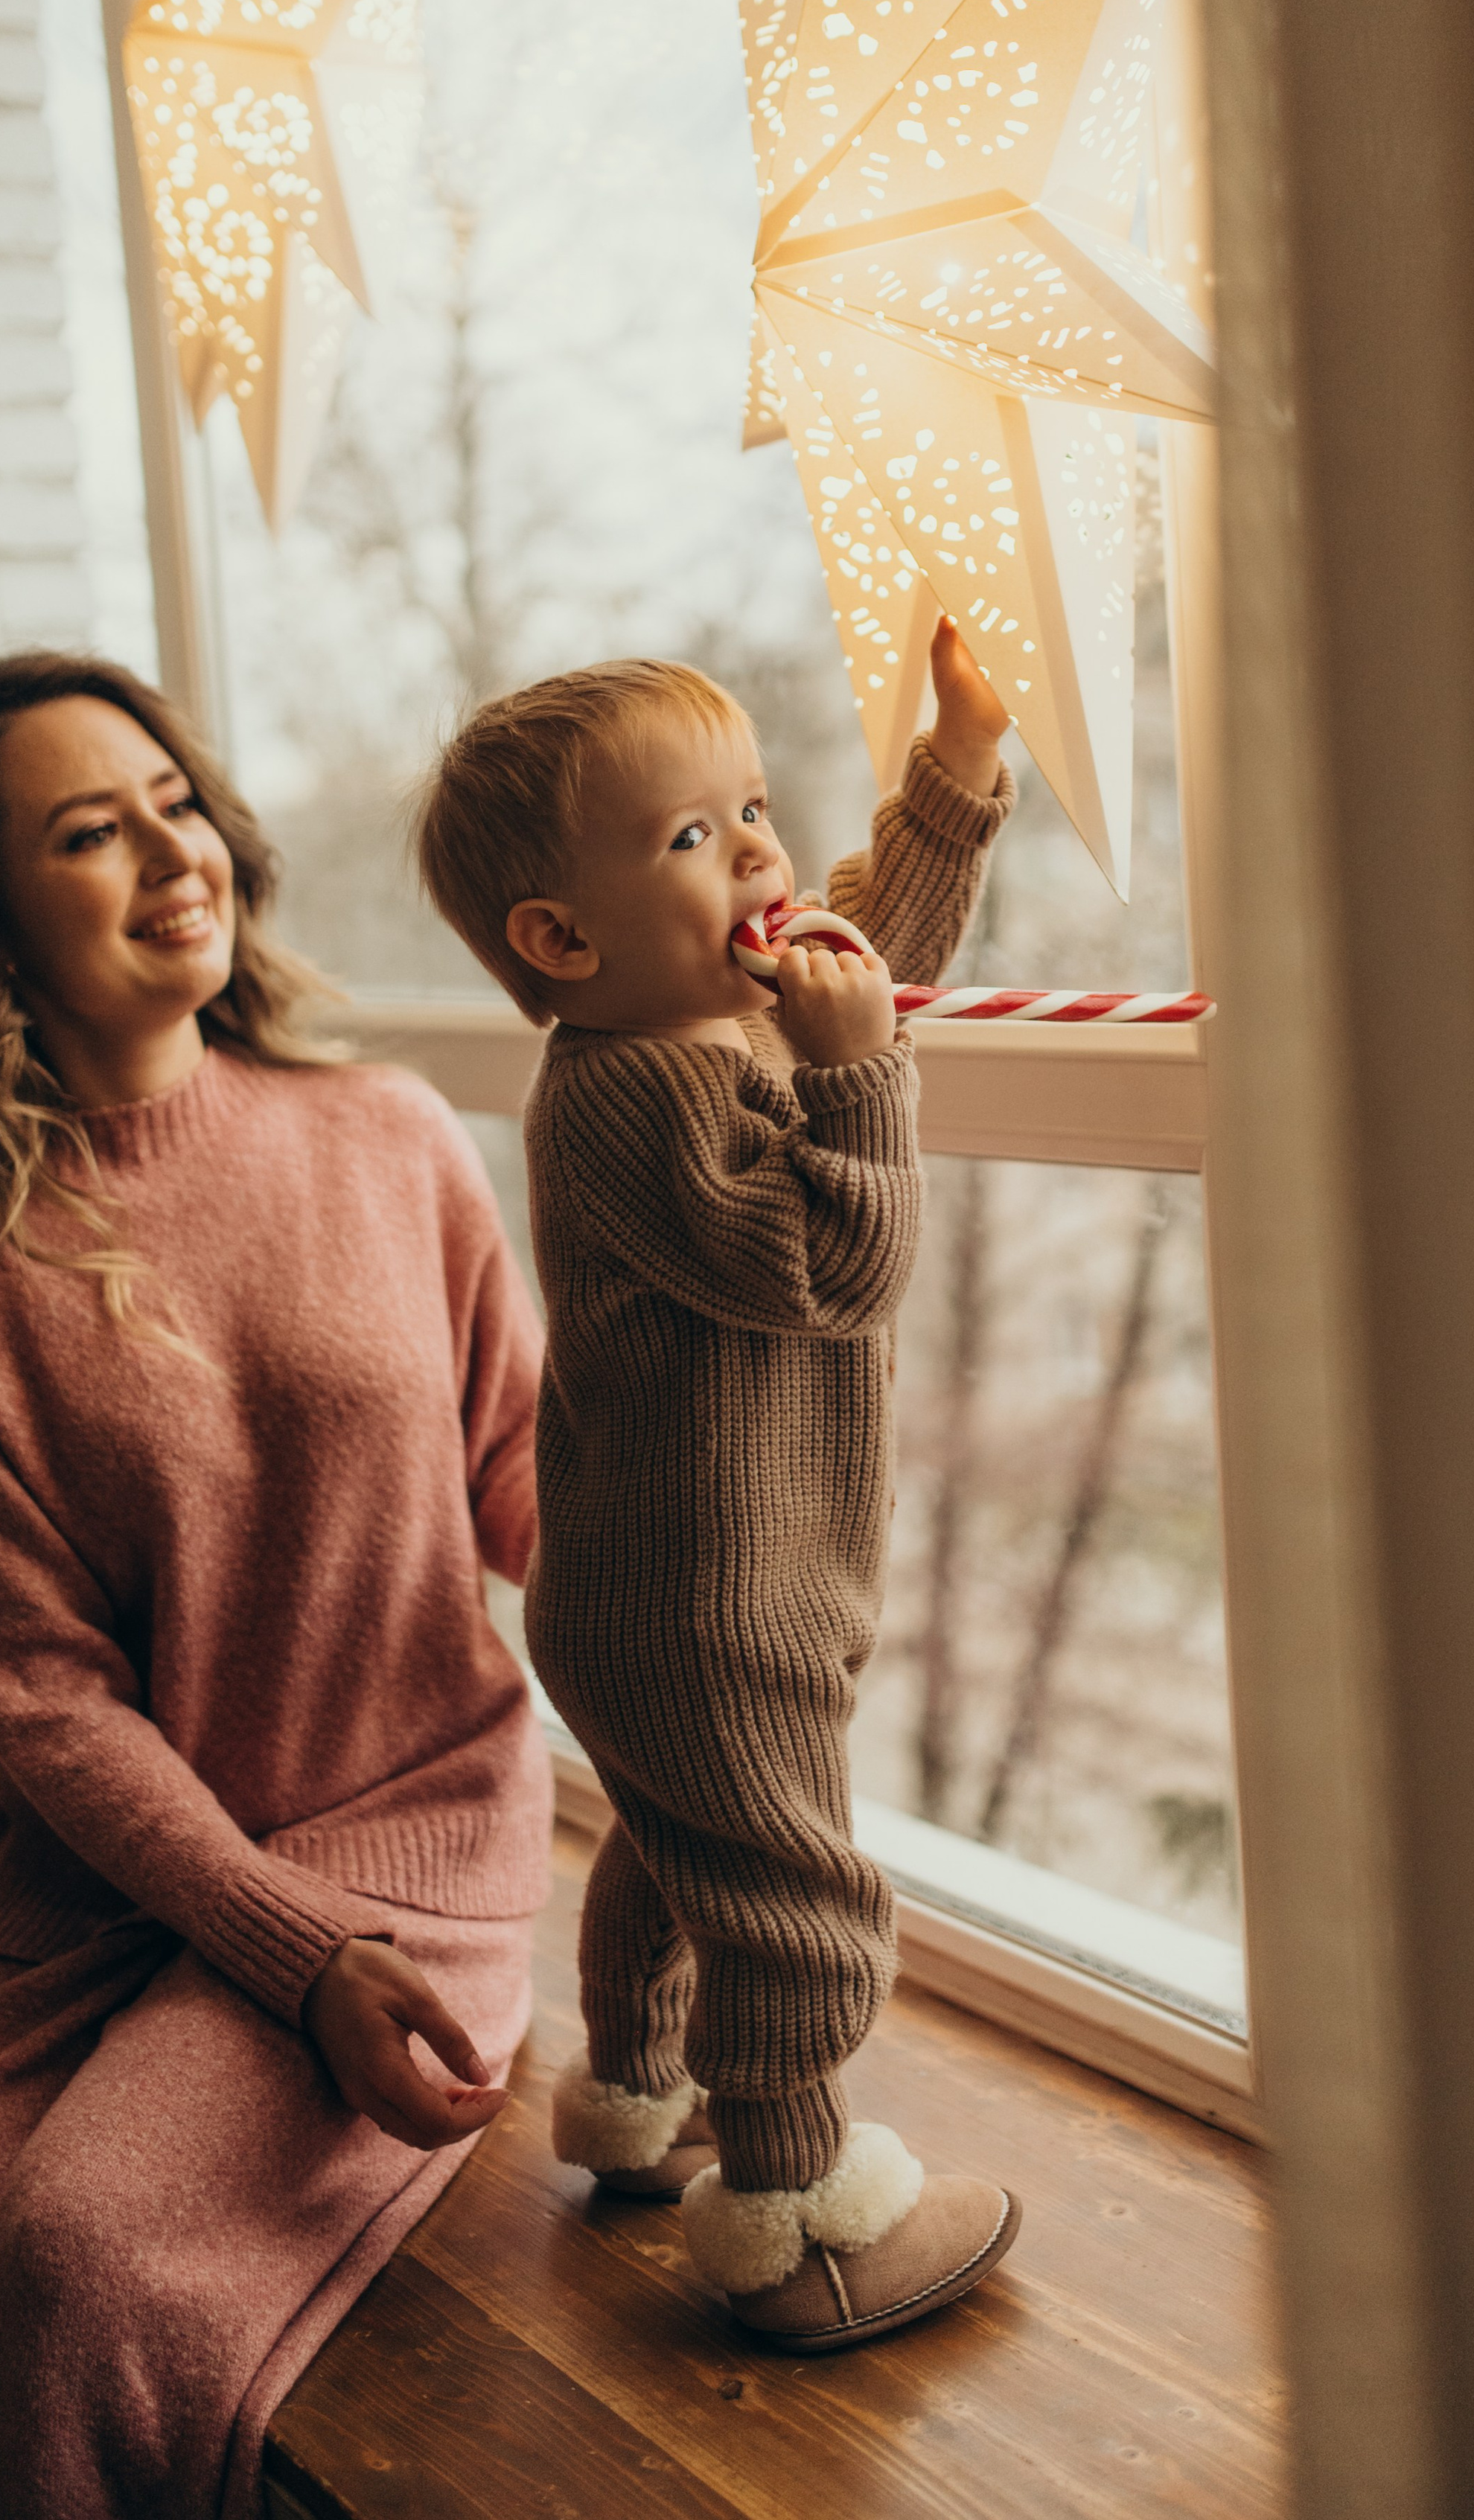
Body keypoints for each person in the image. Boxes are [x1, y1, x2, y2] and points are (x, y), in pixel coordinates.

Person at [0, 654, 552, 2520]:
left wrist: (716, 1582)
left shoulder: (388, 1133)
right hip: (85, 1886)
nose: (174, 852)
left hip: (399, 1843)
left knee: (91, 2266)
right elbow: (43, 1702)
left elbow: (524, 1479)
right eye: (93, 832)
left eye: (176, 802)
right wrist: (280, 1945)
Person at [415, 614, 1023, 2351]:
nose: (759, 852)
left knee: (681, 1855)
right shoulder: (632, 1095)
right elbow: (834, 1266)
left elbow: (863, 945)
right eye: (695, 833)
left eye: (751, 806)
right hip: (709, 1600)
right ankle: (799, 2219)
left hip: (664, 1591)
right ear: (561, 938)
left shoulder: (701, 1024)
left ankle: (641, 2098)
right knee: (791, 1901)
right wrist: (861, 1075)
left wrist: (955, 769)